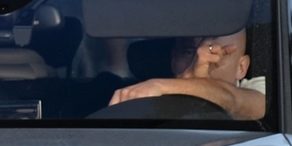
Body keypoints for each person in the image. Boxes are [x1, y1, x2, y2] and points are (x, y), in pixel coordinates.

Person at [108, 29, 265, 119]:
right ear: (173, 58)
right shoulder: (141, 100)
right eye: (188, 52)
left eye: (216, 54)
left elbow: (235, 101)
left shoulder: (258, 89)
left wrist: (168, 85)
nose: (199, 61)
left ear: (242, 68)